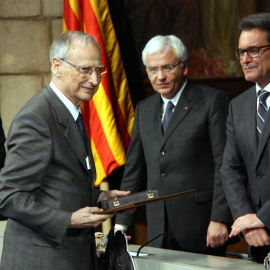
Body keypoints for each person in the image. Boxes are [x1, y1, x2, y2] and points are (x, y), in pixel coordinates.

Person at [0, 30, 130, 270]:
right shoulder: (36, 117)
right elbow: (8, 197)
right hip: (42, 261)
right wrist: (69, 220)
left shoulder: (72, 111)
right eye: (84, 70)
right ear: (56, 66)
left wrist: (100, 197)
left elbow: (56, 188)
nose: (94, 80)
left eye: (98, 70)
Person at [115, 35, 233, 255]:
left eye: (167, 67)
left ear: (184, 66)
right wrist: (122, 223)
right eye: (152, 69)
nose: (160, 76)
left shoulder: (213, 101)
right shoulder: (144, 109)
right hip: (158, 226)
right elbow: (134, 171)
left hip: (203, 226)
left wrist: (220, 217)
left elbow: (224, 165)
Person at [221, 13, 270, 263]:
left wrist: (262, 218)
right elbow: (230, 169)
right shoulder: (237, 106)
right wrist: (248, 221)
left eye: (253, 50)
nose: (245, 59)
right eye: (240, 52)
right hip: (257, 241)